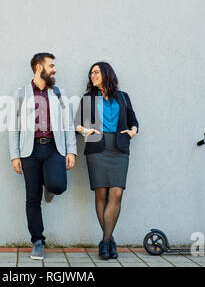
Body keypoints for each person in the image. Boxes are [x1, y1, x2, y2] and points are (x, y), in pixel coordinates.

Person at [9, 52, 77, 260]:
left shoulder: (59, 93)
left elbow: (67, 124)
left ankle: (50, 185)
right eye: (51, 65)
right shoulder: (20, 94)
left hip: (54, 149)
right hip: (29, 152)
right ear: (39, 67)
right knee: (32, 198)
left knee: (58, 186)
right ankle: (38, 241)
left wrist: (71, 151)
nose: (54, 69)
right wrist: (15, 155)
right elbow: (13, 127)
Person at [74, 62, 139, 260]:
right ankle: (109, 242)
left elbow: (133, 119)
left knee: (116, 194)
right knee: (101, 193)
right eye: (90, 73)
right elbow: (76, 123)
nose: (92, 76)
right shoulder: (88, 98)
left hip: (119, 148)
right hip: (97, 147)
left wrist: (133, 131)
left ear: (106, 74)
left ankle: (105, 240)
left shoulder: (123, 97)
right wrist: (87, 131)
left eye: (96, 72)